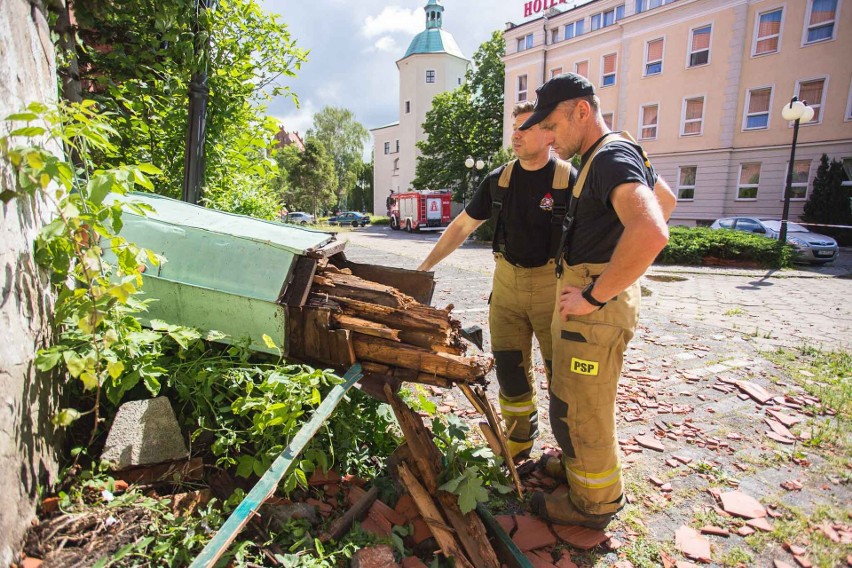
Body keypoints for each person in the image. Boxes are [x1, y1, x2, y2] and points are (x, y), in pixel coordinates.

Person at [518, 73, 676, 529]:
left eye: (552, 125)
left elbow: (651, 229)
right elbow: (665, 199)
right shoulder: (613, 152)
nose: (547, 137)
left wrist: (595, 292)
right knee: (570, 395)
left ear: (581, 111)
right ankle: (578, 471)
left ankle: (595, 504)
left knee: (585, 406)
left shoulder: (608, 157)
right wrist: (613, 252)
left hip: (594, 305)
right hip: (594, 298)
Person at [417, 101, 577, 462]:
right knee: (509, 369)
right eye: (514, 126)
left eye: (525, 126)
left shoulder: (568, 180)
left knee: (563, 377)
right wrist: (424, 266)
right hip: (506, 286)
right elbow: (461, 226)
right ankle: (518, 441)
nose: (515, 134)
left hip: (553, 287)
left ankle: (573, 453)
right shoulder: (498, 179)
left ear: (549, 134)